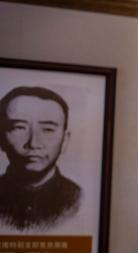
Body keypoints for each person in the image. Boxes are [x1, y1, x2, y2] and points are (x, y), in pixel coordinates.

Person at [0, 86, 81, 231]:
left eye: (48, 130)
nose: (33, 143)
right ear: (1, 138)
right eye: (19, 127)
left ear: (65, 140)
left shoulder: (79, 200)